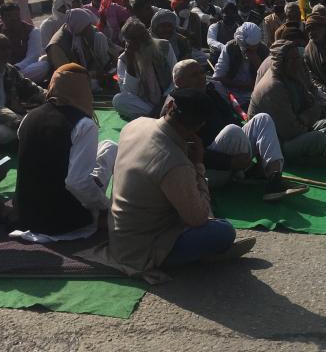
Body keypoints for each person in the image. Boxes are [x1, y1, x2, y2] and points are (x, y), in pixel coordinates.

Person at [106, 88, 256, 277]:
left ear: (169, 105)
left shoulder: (136, 124)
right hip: (143, 249)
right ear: (199, 126)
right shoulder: (175, 162)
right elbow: (199, 218)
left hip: (118, 235)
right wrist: (199, 165)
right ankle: (203, 255)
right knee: (224, 231)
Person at [170, 59, 306, 199]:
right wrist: (229, 161)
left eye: (202, 72)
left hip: (232, 154)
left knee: (262, 119)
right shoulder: (176, 108)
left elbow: (231, 118)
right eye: (194, 75)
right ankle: (250, 171)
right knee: (233, 130)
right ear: (179, 82)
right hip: (211, 169)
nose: (202, 77)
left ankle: (274, 178)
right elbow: (188, 152)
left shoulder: (210, 93)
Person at [15, 63, 117, 238]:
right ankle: (104, 214)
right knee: (111, 149)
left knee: (104, 147)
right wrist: (105, 206)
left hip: (25, 216)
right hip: (64, 221)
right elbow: (77, 183)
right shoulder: (83, 124)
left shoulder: (28, 117)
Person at [249, 40, 326, 161]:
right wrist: (309, 117)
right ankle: (312, 151)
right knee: (318, 138)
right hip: (278, 142)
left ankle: (318, 148)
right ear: (281, 62)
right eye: (291, 60)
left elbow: (309, 101)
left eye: (297, 58)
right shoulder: (274, 87)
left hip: (297, 124)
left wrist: (313, 111)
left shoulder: (292, 73)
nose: (297, 62)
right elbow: (290, 131)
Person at [112, 18, 177, 120]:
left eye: (144, 34)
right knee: (119, 100)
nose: (145, 39)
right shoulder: (124, 60)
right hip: (145, 104)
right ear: (129, 42)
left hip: (167, 98)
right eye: (137, 37)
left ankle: (153, 116)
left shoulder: (164, 46)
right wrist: (130, 62)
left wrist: (165, 98)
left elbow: (175, 76)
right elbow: (129, 92)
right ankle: (157, 116)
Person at [212, 21, 269, 108]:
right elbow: (217, 77)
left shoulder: (263, 50)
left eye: (255, 46)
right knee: (215, 86)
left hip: (254, 92)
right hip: (231, 90)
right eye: (248, 47)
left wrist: (258, 64)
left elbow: (268, 79)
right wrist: (241, 85)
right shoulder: (230, 47)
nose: (253, 50)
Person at [46, 8, 111, 84]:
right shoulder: (57, 46)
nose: (90, 29)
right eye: (87, 27)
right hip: (68, 82)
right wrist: (93, 74)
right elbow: (67, 74)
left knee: (100, 37)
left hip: (86, 73)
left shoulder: (79, 29)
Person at [0, 3, 48, 82]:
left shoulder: (32, 31)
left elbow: (32, 57)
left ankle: (8, 80)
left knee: (44, 65)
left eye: (16, 15)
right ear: (2, 18)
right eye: (9, 16)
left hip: (22, 69)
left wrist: (14, 68)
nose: (14, 18)